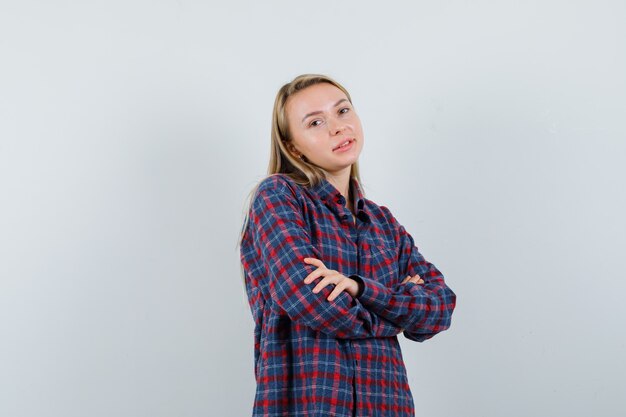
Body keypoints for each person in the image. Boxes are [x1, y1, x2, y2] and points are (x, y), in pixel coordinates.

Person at [238, 74, 456, 417]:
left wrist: (358, 289)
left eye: (343, 111)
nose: (337, 128)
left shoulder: (383, 222)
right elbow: (308, 299)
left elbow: (440, 306)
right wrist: (395, 316)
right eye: (315, 122)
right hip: (309, 407)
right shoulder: (278, 197)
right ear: (293, 147)